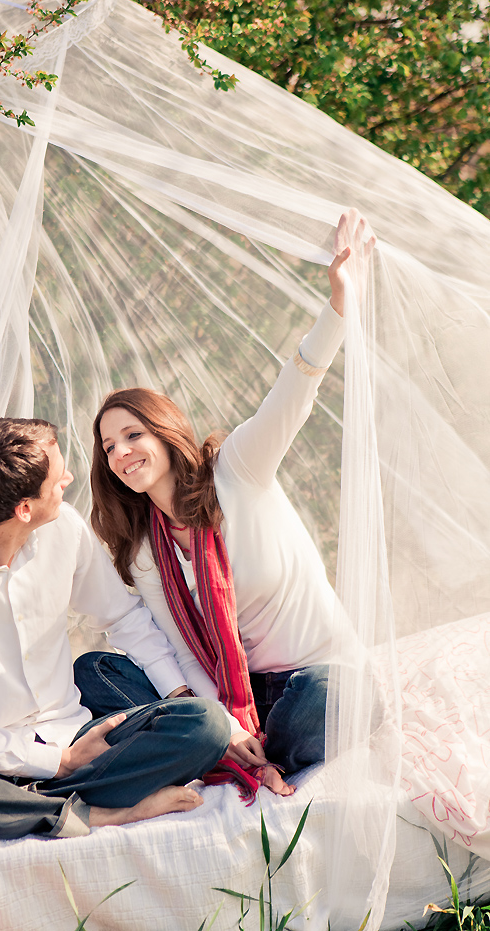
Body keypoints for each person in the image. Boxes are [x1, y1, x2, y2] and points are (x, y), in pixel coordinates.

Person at [80, 210, 375, 795]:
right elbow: (183, 652)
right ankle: (229, 749)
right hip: (234, 701)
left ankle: (224, 754)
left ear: (165, 431)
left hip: (311, 679)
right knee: (96, 669)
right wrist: (227, 725)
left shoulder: (236, 468)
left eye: (133, 434)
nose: (121, 452)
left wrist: (339, 305)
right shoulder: (144, 550)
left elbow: (296, 389)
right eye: (109, 446)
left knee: (334, 700)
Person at [0, 417, 231, 839]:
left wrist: (181, 694)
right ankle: (96, 812)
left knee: (205, 724)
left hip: (80, 734)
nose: (69, 478)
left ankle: (28, 808)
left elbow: (122, 617)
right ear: (24, 509)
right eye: (58, 475)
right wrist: (59, 762)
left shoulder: (64, 528)